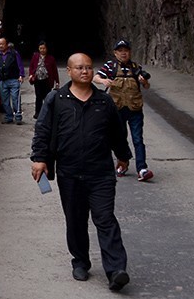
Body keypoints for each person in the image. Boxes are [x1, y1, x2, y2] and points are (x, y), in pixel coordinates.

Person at [31, 53, 133, 292]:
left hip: (100, 173)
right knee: (76, 221)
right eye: (79, 68)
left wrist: (123, 155)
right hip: (70, 173)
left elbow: (117, 132)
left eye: (88, 67)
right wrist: (39, 158)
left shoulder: (103, 102)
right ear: (69, 71)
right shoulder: (56, 99)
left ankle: (116, 270)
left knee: (105, 219)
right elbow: (43, 130)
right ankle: (80, 261)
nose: (85, 71)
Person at [94, 39, 154, 182]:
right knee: (119, 139)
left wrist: (144, 81)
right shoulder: (111, 66)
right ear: (115, 53)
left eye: (125, 50)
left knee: (138, 139)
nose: (123, 53)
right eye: (120, 51)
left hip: (135, 108)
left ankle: (142, 168)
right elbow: (96, 77)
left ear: (130, 52)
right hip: (117, 109)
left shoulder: (135, 67)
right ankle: (123, 163)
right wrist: (103, 81)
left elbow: (146, 86)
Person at [0, 36, 25, 124]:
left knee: (15, 98)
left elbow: (20, 65)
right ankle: (8, 116)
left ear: (6, 44)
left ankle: (18, 117)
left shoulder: (14, 53)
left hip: (14, 79)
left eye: (2, 44)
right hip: (2, 80)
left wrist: (21, 75)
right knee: (5, 100)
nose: (0, 46)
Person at [28, 40, 58, 119]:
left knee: (47, 97)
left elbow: (54, 70)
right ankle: (38, 113)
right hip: (37, 80)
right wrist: (31, 75)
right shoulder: (35, 56)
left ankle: (48, 113)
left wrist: (57, 81)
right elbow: (31, 66)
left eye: (44, 48)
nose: (42, 50)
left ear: (47, 49)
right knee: (38, 97)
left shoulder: (51, 58)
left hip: (47, 80)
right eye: (40, 48)